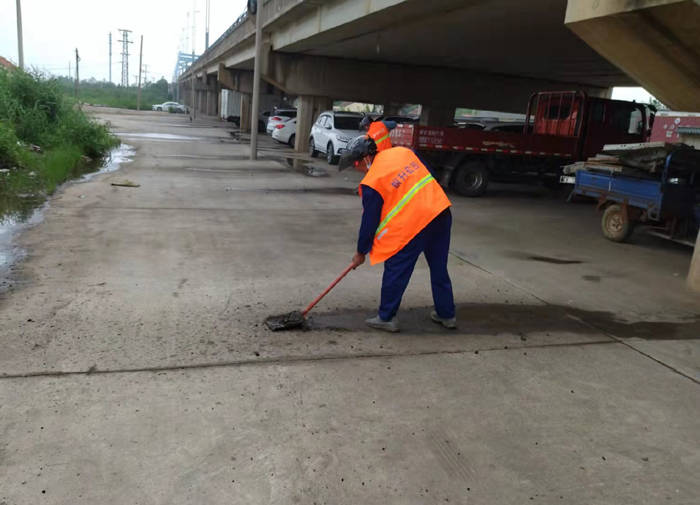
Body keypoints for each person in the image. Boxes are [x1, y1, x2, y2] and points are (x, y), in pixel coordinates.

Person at [339, 136, 456, 333]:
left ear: (366, 158)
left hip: (415, 225)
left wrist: (361, 252)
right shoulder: (404, 152)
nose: (356, 168)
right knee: (439, 267)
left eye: (355, 163)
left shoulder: (372, 181)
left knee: (396, 268)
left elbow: (369, 222)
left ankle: (386, 317)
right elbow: (430, 175)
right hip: (440, 213)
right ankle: (447, 315)